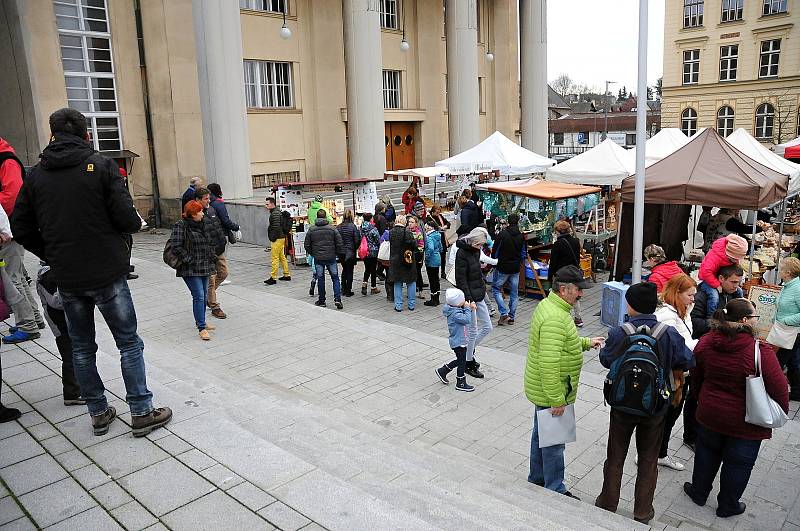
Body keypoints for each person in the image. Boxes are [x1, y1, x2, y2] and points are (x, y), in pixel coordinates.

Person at [12, 107, 171, 437]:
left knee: (82, 347)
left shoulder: (37, 174)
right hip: (107, 273)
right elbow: (128, 219)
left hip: (67, 276)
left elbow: (21, 228)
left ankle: (98, 412)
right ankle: (141, 411)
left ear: (52, 134)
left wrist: (52, 253)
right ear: (86, 134)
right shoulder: (101, 166)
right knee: (128, 343)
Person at [595, 282, 694, 524]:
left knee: (615, 456)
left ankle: (607, 503)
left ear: (630, 305)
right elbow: (688, 360)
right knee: (649, 460)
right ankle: (642, 512)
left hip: (621, 405)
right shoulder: (667, 332)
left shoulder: (621, 332)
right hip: (656, 406)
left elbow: (606, 360)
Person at [683, 299, 788, 518]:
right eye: (754, 316)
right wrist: (778, 412)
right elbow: (778, 389)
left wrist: (702, 399)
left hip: (710, 413)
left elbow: (696, 375)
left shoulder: (706, 341)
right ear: (745, 320)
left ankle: (699, 492)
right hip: (747, 421)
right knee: (739, 464)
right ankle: (728, 505)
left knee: (705, 454)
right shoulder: (760, 351)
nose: (756, 319)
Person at [525, 265, 603, 498]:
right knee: (554, 443)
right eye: (578, 290)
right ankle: (555, 489)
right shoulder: (555, 318)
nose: (581, 294)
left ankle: (537, 478)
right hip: (554, 391)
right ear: (563, 289)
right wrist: (557, 400)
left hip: (546, 390)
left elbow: (562, 343)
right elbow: (549, 364)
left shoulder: (551, 307)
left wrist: (587, 342)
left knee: (541, 436)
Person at [685, 264, 744, 449]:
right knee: (695, 394)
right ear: (721, 279)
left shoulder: (736, 294)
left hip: (724, 349)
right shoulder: (703, 295)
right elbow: (694, 322)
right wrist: (720, 325)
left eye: (738, 282)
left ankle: (706, 431)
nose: (736, 285)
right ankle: (690, 436)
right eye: (733, 282)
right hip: (705, 349)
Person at [0, 137, 44, 344]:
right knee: (17, 274)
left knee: (11, 278)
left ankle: (28, 324)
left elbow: (12, 197)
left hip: (8, 230)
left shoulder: (6, 161)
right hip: (10, 228)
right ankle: (34, 318)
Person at [652, 274, 698, 471]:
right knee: (665, 417)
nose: (693, 299)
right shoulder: (667, 316)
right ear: (677, 293)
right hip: (671, 375)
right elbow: (676, 347)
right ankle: (654, 454)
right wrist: (699, 345)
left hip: (680, 374)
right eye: (690, 295)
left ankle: (658, 453)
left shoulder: (682, 311)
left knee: (670, 417)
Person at [36, 265, 84, 406]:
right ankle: (72, 393)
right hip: (61, 326)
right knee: (69, 358)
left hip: (66, 323)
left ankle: (80, 387)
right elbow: (56, 301)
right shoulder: (49, 277)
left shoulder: (54, 273)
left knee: (76, 355)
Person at [171, 200, 217, 340]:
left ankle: (201, 321)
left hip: (204, 265)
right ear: (193, 214)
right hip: (190, 268)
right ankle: (201, 328)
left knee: (203, 297)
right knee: (198, 296)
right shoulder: (181, 225)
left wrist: (212, 256)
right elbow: (176, 246)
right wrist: (188, 260)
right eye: (200, 211)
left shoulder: (201, 224)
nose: (203, 214)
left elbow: (208, 242)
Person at [455, 227, 495, 379]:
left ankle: (468, 352)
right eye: (479, 245)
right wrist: (468, 299)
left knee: (488, 327)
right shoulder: (462, 252)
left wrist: (483, 287)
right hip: (469, 297)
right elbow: (461, 278)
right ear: (473, 241)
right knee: (472, 331)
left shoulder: (476, 250)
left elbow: (477, 271)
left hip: (479, 292)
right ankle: (468, 361)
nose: (480, 248)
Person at [194, 187, 229, 319]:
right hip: (207, 254)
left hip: (219, 249)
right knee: (211, 281)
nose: (208, 201)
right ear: (198, 200)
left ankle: (208, 296)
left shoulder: (211, 209)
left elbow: (218, 226)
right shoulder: (196, 214)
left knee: (224, 273)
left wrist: (223, 242)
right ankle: (214, 306)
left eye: (209, 198)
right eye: (205, 199)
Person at [435, 288, 476, 392]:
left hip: (459, 340)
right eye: (463, 299)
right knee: (462, 362)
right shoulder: (455, 314)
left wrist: (465, 307)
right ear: (458, 302)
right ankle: (460, 382)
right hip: (459, 342)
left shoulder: (454, 309)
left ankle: (443, 371)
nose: (465, 300)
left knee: (460, 360)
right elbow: (467, 319)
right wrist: (468, 308)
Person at [697, 234, 747, 314]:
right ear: (729, 254)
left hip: (720, 278)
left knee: (739, 292)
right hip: (708, 280)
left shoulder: (732, 258)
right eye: (735, 258)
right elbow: (706, 272)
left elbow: (735, 268)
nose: (737, 260)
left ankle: (739, 313)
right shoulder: (715, 256)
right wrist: (717, 285)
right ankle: (711, 318)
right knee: (714, 296)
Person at [304, 208, 343, 309]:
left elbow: (307, 244)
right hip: (331, 257)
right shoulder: (332, 228)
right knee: (335, 278)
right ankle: (337, 299)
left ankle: (322, 300)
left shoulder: (312, 229)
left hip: (318, 258)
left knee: (320, 279)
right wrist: (337, 253)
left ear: (317, 217)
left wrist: (313, 253)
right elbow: (339, 243)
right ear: (325, 217)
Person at [207, 183, 241, 300]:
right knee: (221, 265)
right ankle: (209, 296)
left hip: (213, 239)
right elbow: (225, 220)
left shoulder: (210, 204)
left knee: (218, 268)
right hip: (220, 237)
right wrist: (236, 227)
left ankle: (209, 297)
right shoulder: (217, 204)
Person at [548, 220, 584, 328]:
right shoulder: (575, 241)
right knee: (575, 296)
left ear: (558, 231)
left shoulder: (557, 244)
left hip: (562, 274)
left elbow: (553, 263)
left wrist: (550, 276)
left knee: (562, 296)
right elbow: (577, 258)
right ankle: (578, 318)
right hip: (574, 272)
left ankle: (565, 318)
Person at [773, 257, 800, 400]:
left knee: (777, 362)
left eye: (781, 268)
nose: (779, 271)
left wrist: (785, 320)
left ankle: (771, 390)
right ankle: (796, 391)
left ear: (788, 272)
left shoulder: (797, 288)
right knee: (792, 361)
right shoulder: (787, 285)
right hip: (786, 330)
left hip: (793, 331)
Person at [493, 213, 525, 326]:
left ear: (507, 222)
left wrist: (494, 261)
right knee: (514, 293)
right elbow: (523, 253)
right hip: (515, 268)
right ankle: (511, 316)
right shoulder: (521, 236)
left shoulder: (502, 234)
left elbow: (495, 250)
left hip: (503, 266)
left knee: (496, 289)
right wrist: (520, 262)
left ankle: (503, 312)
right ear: (517, 222)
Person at [388, 216, 417, 312]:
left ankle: (398, 305)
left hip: (395, 261)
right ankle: (411, 305)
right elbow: (413, 245)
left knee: (397, 283)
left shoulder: (391, 232)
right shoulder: (407, 232)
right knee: (411, 282)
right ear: (404, 222)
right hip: (407, 260)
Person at [264, 197, 291, 285]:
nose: (266, 206)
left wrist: (272, 238)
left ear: (272, 204)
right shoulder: (277, 212)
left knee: (275, 258)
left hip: (277, 238)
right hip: (281, 237)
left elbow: (276, 228)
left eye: (267, 204)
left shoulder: (275, 214)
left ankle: (273, 277)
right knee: (282, 257)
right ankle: (286, 275)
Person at [337, 209, 361, 297]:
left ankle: (343, 288)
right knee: (350, 270)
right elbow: (357, 240)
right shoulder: (353, 226)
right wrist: (354, 248)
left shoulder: (338, 227)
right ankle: (348, 290)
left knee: (344, 269)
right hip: (350, 251)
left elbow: (336, 240)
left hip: (341, 252)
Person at [427, 204, 451, 279]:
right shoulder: (429, 218)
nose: (438, 214)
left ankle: (443, 272)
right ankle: (436, 271)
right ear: (433, 212)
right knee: (435, 255)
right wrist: (438, 228)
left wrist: (445, 226)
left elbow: (448, 223)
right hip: (434, 238)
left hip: (442, 237)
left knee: (443, 255)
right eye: (436, 213)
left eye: (439, 212)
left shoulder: (440, 216)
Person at [360, 213, 381, 296]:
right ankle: (373, 287)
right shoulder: (373, 229)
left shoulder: (361, 228)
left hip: (364, 250)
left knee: (367, 268)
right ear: (370, 219)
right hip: (373, 251)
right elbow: (377, 239)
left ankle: (364, 284)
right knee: (373, 269)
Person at [423, 222, 443, 306]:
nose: (426, 227)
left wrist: (426, 256)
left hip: (431, 260)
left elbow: (430, 248)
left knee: (432, 280)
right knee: (436, 279)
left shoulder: (429, 237)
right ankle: (437, 298)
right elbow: (440, 247)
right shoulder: (438, 235)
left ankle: (433, 299)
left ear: (431, 227)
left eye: (427, 226)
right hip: (437, 257)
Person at [407, 215, 426, 299]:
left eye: (412, 222)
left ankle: (420, 290)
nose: (410, 224)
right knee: (409, 273)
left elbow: (421, 246)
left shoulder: (418, 233)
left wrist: (419, 256)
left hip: (416, 255)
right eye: (409, 222)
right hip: (408, 256)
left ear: (416, 224)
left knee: (418, 273)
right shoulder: (406, 232)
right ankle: (411, 291)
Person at [374, 203, 389, 281]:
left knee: (380, 256)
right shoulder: (382, 218)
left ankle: (379, 272)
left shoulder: (375, 217)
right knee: (383, 256)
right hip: (381, 239)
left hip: (376, 239)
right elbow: (384, 230)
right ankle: (379, 271)